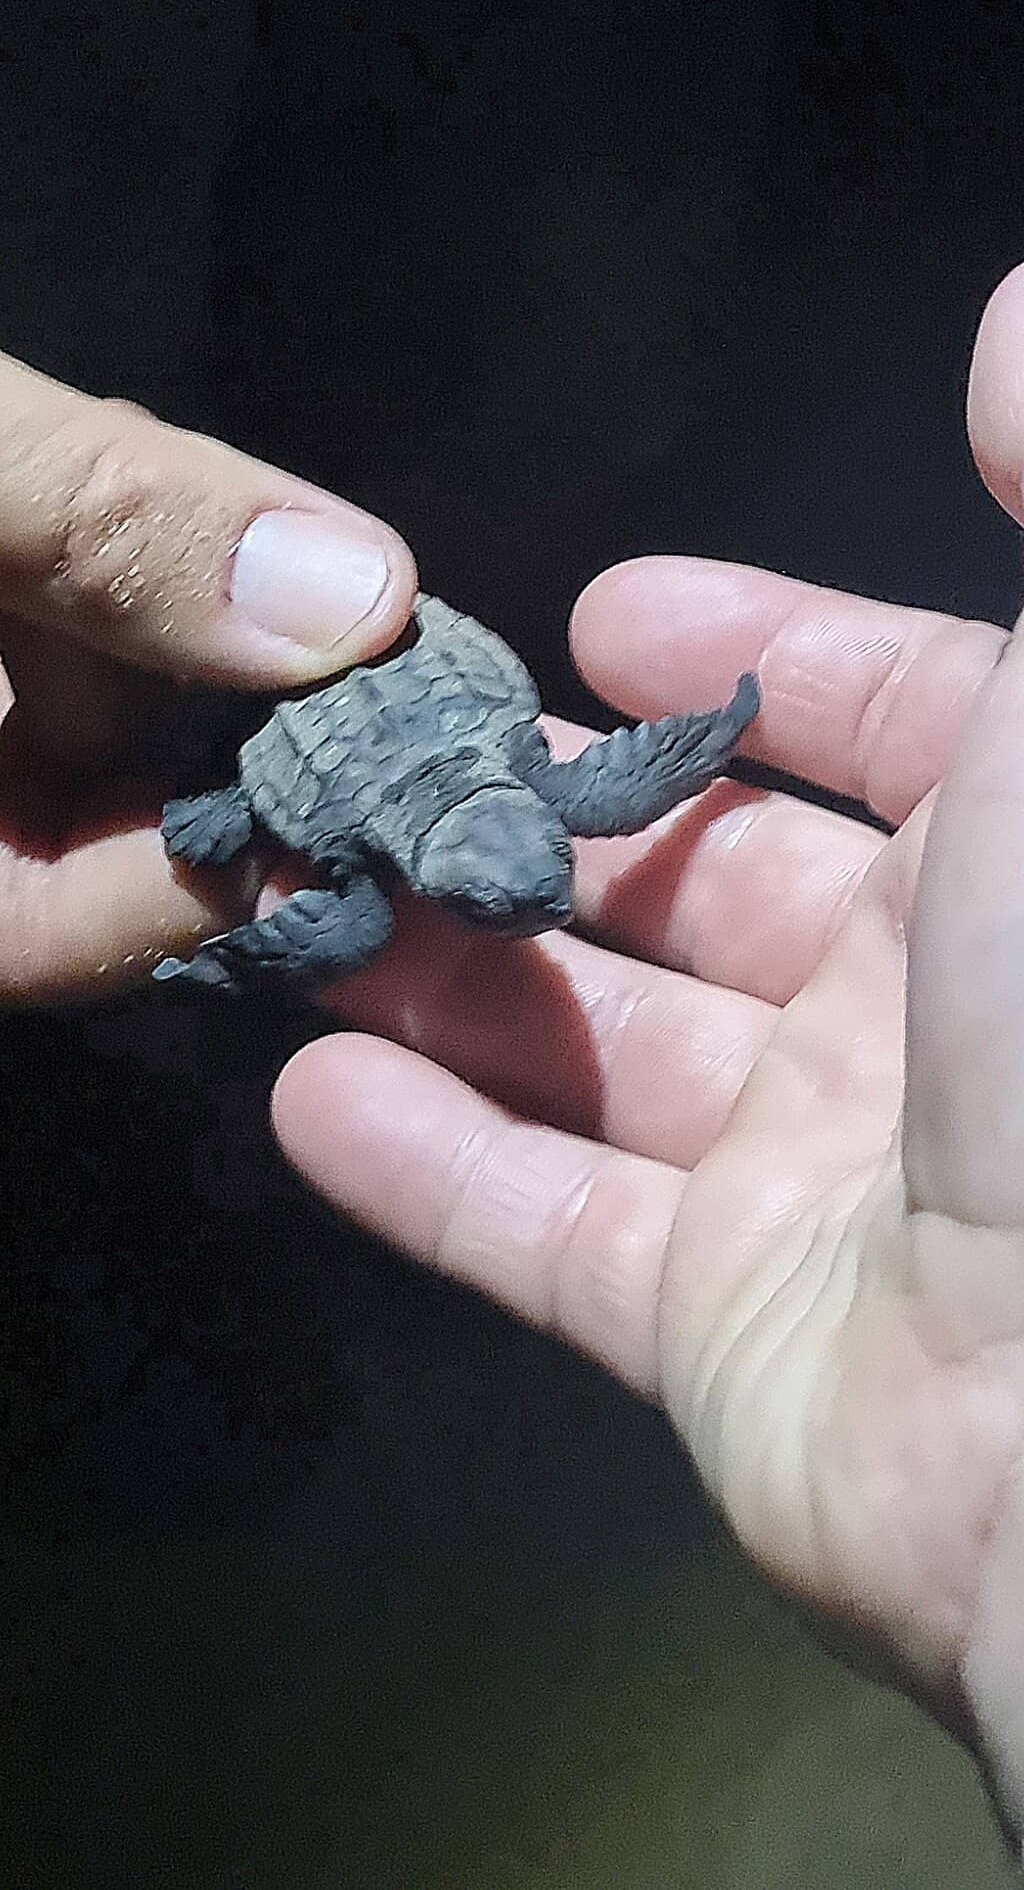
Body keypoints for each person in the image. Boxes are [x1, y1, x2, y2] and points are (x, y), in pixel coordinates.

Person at [5, 267, 1024, 1853]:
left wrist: (708, 734)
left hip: (416, 715)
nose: (546, 895)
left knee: (293, 905)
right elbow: (374, 837)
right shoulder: (376, 854)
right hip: (314, 718)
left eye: (537, 875)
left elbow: (592, 802)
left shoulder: (520, 805)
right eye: (516, 890)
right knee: (232, 848)